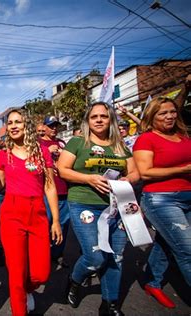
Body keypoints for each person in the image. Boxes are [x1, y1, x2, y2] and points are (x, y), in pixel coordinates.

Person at [57, 101, 140, 315]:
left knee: (116, 256)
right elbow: (62, 170)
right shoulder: (77, 142)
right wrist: (89, 179)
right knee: (95, 257)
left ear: (110, 119)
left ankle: (110, 302)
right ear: (88, 121)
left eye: (104, 116)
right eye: (94, 117)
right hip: (84, 204)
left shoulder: (120, 145)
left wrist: (125, 180)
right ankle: (75, 280)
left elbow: (135, 173)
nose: (99, 120)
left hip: (118, 205)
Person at [0, 109, 62, 315]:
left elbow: (50, 186)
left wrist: (56, 221)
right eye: (10, 122)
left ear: (27, 126)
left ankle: (28, 290)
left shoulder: (42, 152)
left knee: (41, 274)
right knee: (16, 274)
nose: (14, 125)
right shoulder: (3, 154)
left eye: (19, 121)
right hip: (12, 214)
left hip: (38, 214)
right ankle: (19, 309)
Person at [133, 97, 191, 308]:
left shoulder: (183, 136)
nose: (169, 116)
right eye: (162, 113)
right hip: (162, 199)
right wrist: (182, 170)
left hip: (188, 195)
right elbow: (145, 173)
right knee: (187, 250)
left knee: (167, 242)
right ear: (152, 116)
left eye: (172, 112)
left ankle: (152, 281)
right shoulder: (146, 139)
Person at [39, 115, 70, 268]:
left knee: (63, 225)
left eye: (56, 125)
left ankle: (57, 254)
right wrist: (46, 151)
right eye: (51, 125)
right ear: (43, 127)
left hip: (64, 190)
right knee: (46, 225)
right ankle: (42, 256)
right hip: (46, 192)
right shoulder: (38, 144)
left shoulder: (62, 143)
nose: (54, 128)